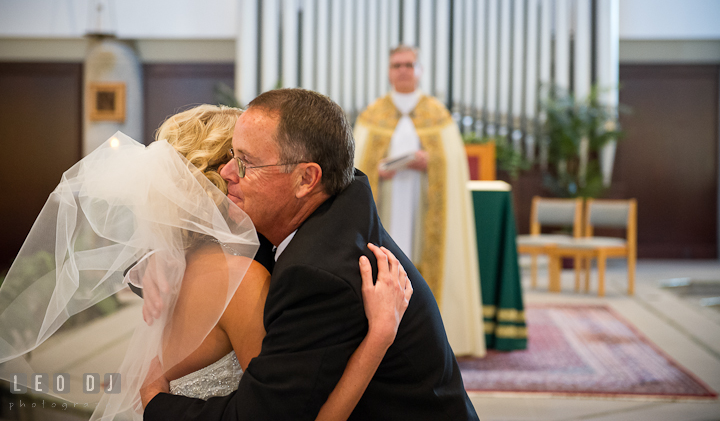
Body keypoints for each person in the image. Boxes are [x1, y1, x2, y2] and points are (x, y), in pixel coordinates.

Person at [0, 105, 411, 421]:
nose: (239, 171)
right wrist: (381, 336)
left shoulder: (176, 266)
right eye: (237, 160)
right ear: (221, 181)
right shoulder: (243, 280)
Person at [142, 89, 480, 420]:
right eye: (229, 157)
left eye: (244, 161)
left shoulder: (317, 274)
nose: (229, 173)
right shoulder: (324, 201)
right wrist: (161, 254)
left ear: (307, 178)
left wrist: (155, 403)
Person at [354, 45, 486, 357]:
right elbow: (357, 165)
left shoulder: (437, 115)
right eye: (397, 65)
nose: (403, 70)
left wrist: (432, 163)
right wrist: (377, 170)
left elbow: (452, 164)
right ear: (389, 71)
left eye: (409, 65)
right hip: (386, 207)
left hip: (423, 208)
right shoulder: (372, 115)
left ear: (420, 70)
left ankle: (433, 334)